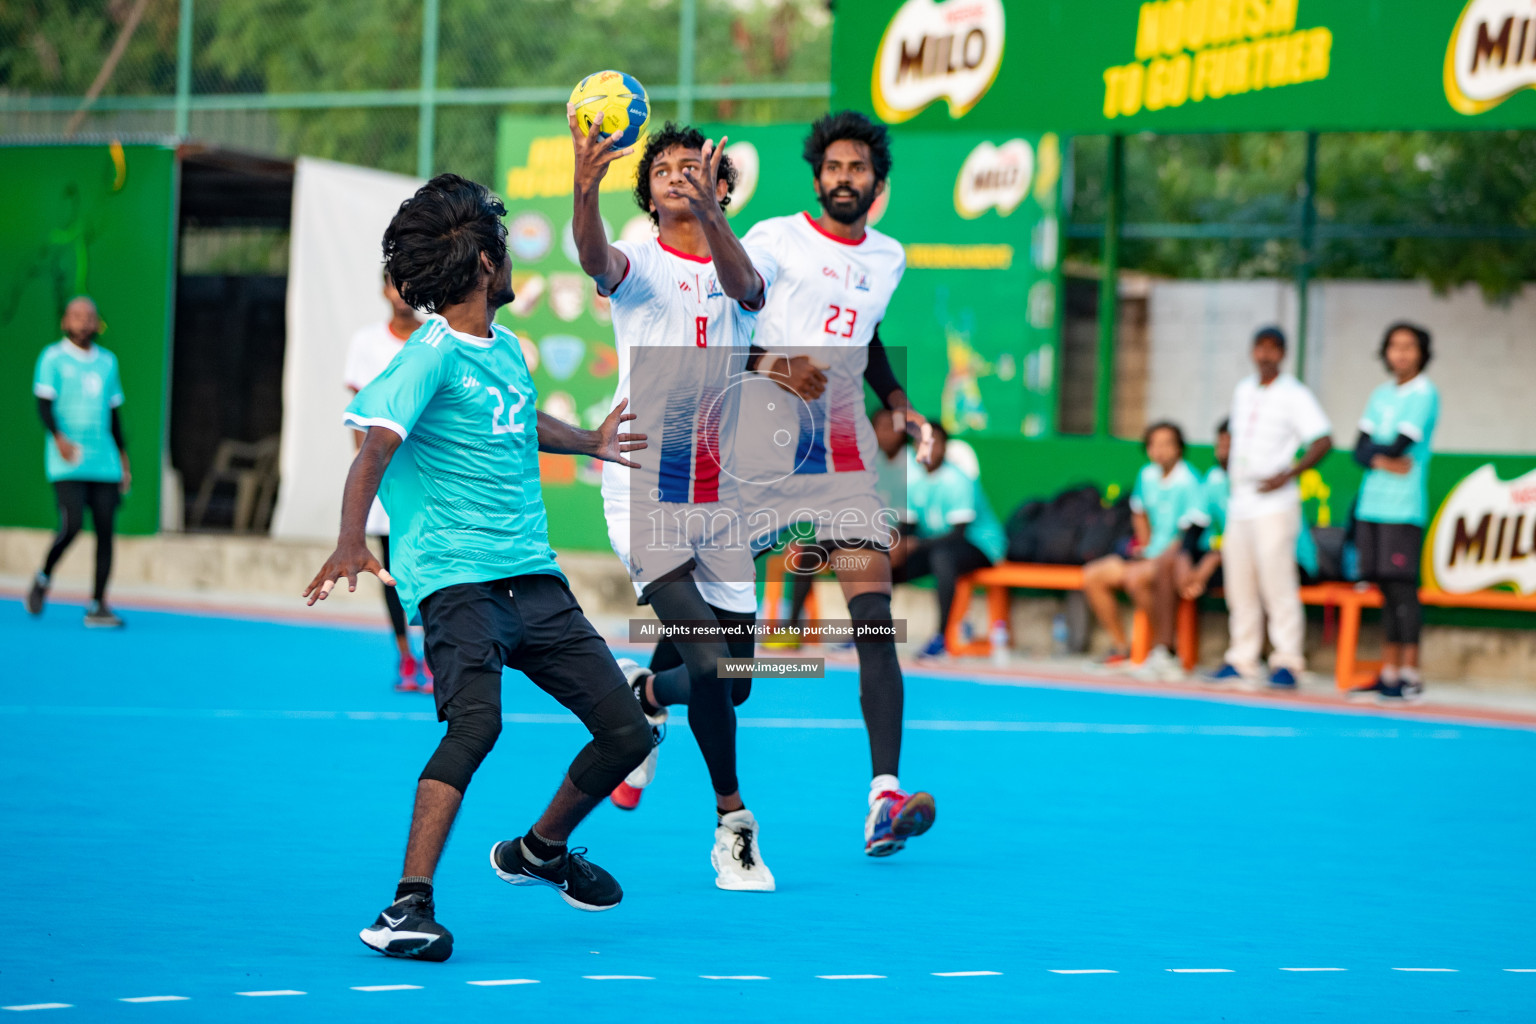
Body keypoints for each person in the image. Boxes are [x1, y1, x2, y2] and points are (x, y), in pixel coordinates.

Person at [304, 173, 654, 962]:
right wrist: (351, 539)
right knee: (476, 725)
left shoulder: (505, 351)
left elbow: (519, 421)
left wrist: (591, 441)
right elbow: (375, 448)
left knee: (628, 732)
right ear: (488, 267)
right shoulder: (424, 357)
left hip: (532, 578)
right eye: (504, 245)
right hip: (458, 583)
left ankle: (539, 850)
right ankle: (405, 908)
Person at [569, 114, 774, 891]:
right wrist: (585, 188)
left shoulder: (740, 270)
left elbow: (746, 289)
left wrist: (716, 214)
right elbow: (594, 255)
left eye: (697, 167)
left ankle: (645, 691)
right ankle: (733, 826)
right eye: (665, 171)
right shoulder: (641, 265)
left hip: (720, 494)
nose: (681, 175)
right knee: (712, 663)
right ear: (649, 200)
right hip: (643, 487)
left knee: (739, 680)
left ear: (721, 188)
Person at [733, 110, 938, 858]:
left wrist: (899, 404)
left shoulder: (888, 257)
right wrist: (774, 367)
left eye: (859, 168)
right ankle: (648, 702)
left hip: (842, 456)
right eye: (834, 166)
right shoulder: (772, 240)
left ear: (877, 183)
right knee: (718, 636)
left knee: (874, 621)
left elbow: (868, 335)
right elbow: (730, 331)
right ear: (817, 176)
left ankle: (884, 797)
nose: (845, 178)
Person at [1207, 327, 1333, 689]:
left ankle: (1287, 659)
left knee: (1276, 580)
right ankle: (1242, 657)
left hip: (1274, 502)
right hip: (1241, 499)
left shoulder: (1295, 394)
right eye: (1260, 347)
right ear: (1252, 351)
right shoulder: (1243, 390)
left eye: (1273, 348)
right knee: (1239, 582)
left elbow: (1323, 440)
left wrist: (1288, 473)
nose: (1265, 355)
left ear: (1283, 353)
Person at [343, 270, 428, 692]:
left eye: (409, 286)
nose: (402, 294)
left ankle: (433, 655)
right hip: (383, 484)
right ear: (384, 291)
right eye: (395, 285)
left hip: (427, 482)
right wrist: (367, 474)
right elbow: (359, 417)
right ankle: (406, 656)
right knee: (391, 573)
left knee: (429, 571)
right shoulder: (366, 343)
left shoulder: (434, 340)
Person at [1347, 323, 1439, 703]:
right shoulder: (1380, 395)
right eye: (1394, 346)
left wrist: (1379, 457)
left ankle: (1410, 674)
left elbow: (1402, 446)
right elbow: (1358, 451)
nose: (1400, 353)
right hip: (1372, 504)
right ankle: (1387, 671)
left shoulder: (1424, 393)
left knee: (1403, 588)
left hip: (1403, 508)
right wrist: (1384, 461)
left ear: (1421, 353)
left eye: (1409, 347)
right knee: (1383, 588)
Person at [27, 296, 130, 628]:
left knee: (105, 532)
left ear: (97, 322)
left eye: (89, 317)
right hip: (67, 461)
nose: (83, 322)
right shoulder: (52, 358)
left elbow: (115, 416)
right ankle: (44, 577)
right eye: (76, 316)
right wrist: (59, 438)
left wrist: (123, 462)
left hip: (105, 462)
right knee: (71, 526)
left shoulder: (108, 363)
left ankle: (98, 604)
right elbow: (44, 406)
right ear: (65, 322)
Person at [1081, 421, 1204, 677]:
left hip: (1172, 559)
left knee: (1136, 579)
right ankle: (1122, 648)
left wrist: (1158, 558)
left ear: (1179, 448)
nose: (1159, 450)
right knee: (1093, 575)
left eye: (1166, 444)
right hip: (1147, 554)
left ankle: (1164, 650)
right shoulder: (1147, 475)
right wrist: (1145, 546)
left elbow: (1189, 534)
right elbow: (1139, 513)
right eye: (1153, 444)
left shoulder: (1189, 481)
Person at [892, 421, 1006, 658]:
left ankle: (940, 638)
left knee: (942, 558)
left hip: (982, 546)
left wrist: (914, 544)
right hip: (936, 545)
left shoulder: (958, 480)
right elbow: (908, 526)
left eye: (935, 443)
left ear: (945, 447)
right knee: (885, 563)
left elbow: (958, 534)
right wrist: (894, 543)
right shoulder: (912, 480)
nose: (928, 450)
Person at [1175, 419, 1230, 607]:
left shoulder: (1257, 482)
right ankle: (1165, 637)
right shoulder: (1214, 478)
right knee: (1175, 566)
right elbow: (1196, 524)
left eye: (1230, 442)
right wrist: (1184, 559)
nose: (1224, 448)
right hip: (1225, 555)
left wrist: (1215, 558)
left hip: (1283, 562)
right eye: (1221, 442)